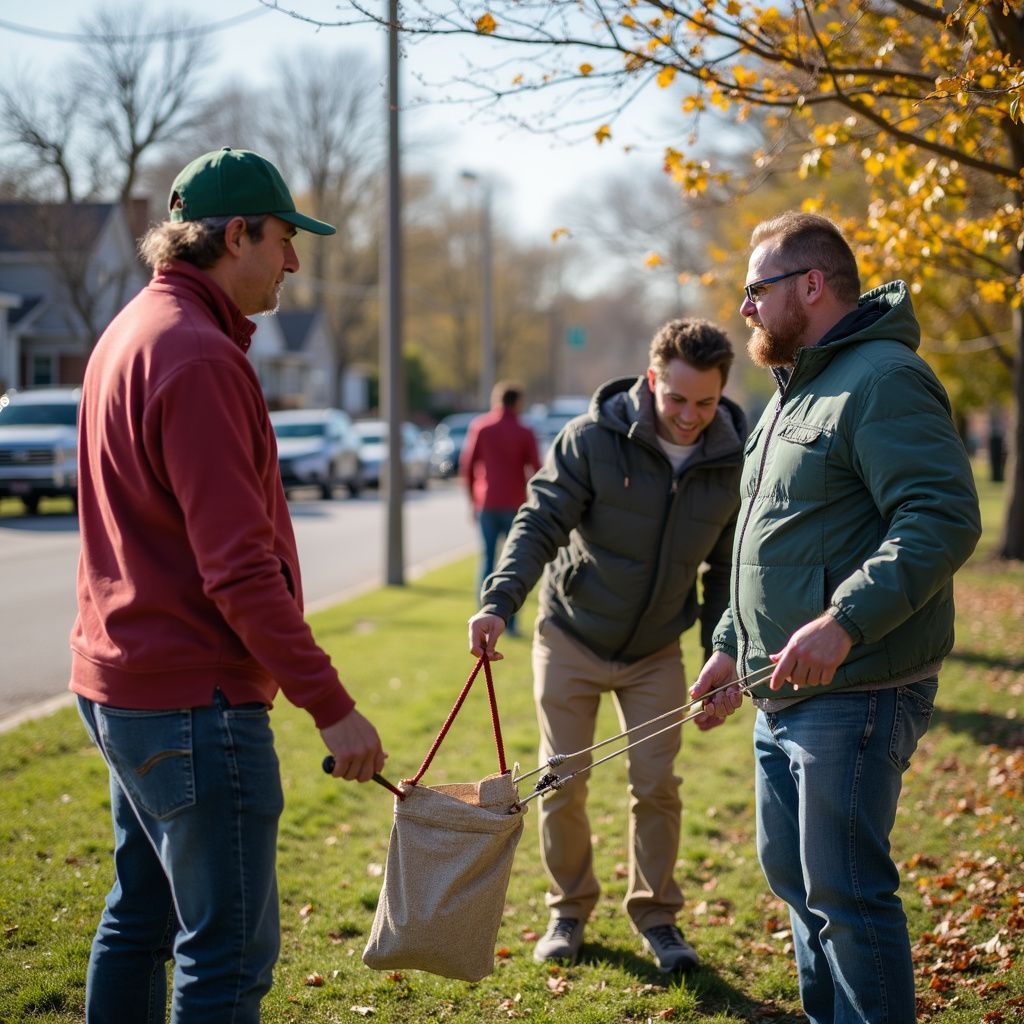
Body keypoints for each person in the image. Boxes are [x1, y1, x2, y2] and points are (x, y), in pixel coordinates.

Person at [69, 147, 387, 1023]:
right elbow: (239, 571)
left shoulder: (130, 331)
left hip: (126, 685)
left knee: (140, 919)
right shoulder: (200, 358)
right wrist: (331, 704)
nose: (294, 260)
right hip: (193, 701)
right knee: (226, 957)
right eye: (285, 238)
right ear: (236, 232)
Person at [691, 211, 982, 1023]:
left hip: (857, 690)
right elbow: (768, 546)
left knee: (845, 896)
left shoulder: (883, 378)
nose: (744, 309)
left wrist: (843, 621)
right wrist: (727, 648)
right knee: (797, 888)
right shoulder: (795, 391)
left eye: (756, 290)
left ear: (810, 286)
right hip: (778, 694)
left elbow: (941, 517)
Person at [468, 318, 746, 972]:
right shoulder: (592, 439)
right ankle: (568, 910)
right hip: (572, 634)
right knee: (561, 781)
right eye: (676, 399)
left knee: (657, 785)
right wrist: (497, 601)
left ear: (722, 394)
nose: (689, 417)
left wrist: (719, 650)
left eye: (705, 403)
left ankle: (657, 917)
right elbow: (538, 521)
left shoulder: (732, 458)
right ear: (652, 380)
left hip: (655, 650)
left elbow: (727, 571)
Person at [460, 381, 541, 636]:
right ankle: (509, 622)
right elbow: (537, 470)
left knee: (486, 560)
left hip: (487, 502)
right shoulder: (524, 431)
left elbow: (468, 465)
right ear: (517, 402)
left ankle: (482, 617)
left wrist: (472, 499)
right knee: (513, 564)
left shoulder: (481, 427)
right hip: (515, 504)